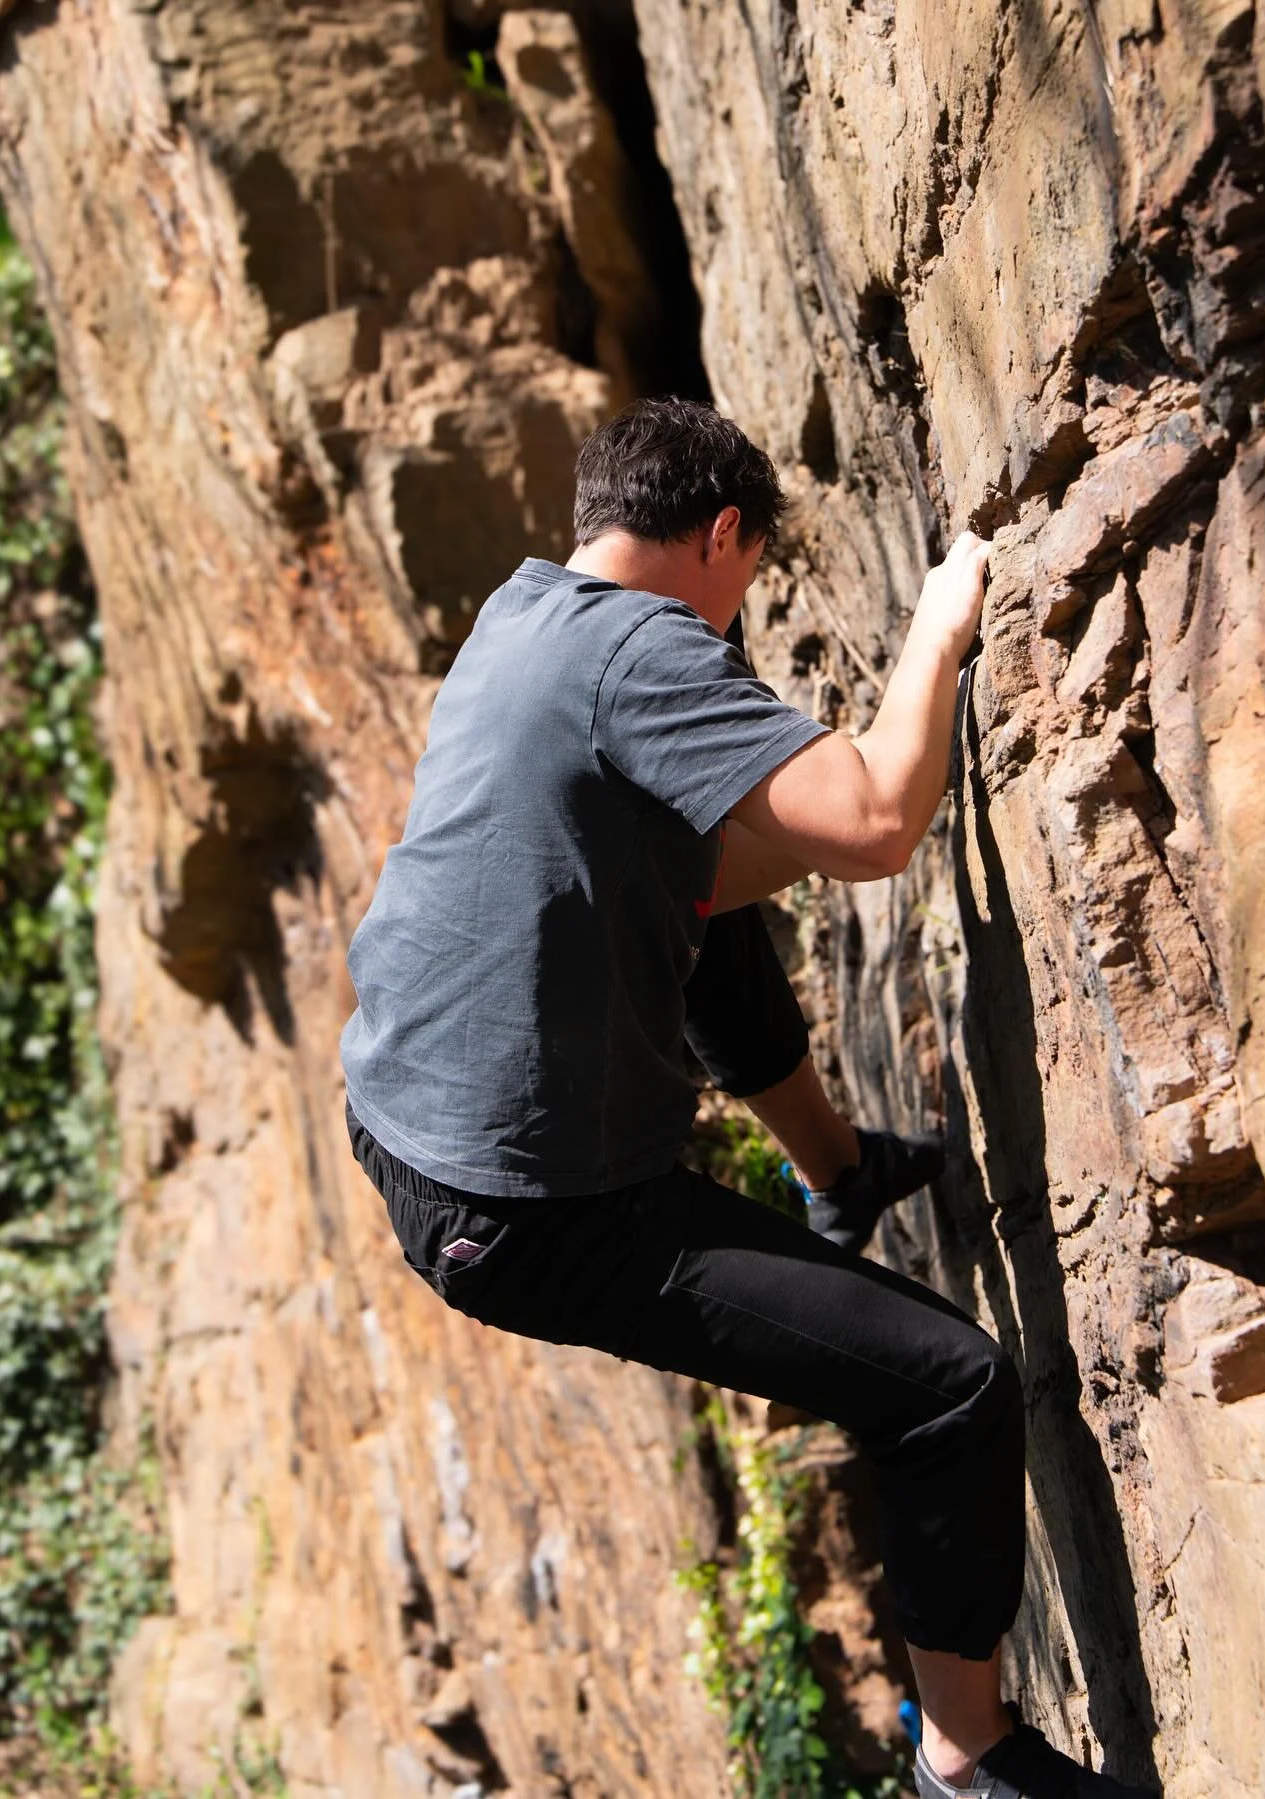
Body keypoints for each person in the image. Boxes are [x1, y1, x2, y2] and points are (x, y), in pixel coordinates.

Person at [340, 397, 1155, 1799]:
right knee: (949, 1384)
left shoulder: (522, 614)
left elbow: (713, 855)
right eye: (750, 577)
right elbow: (880, 823)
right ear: (721, 533)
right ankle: (966, 1754)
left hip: (415, 1117)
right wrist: (943, 621)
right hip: (533, 1207)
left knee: (694, 892)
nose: (737, 621)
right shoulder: (640, 648)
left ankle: (836, 1175)